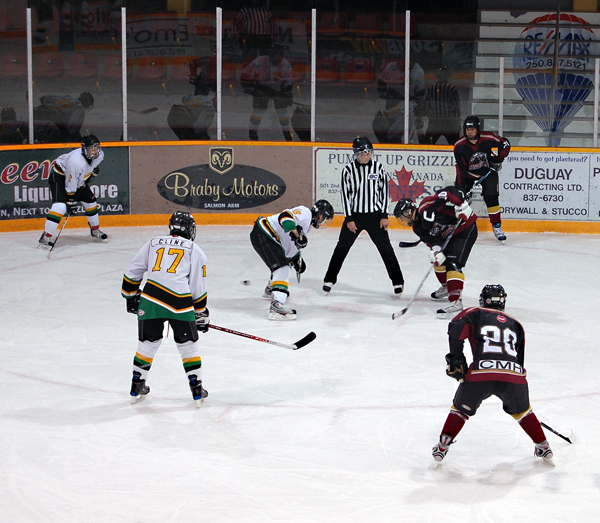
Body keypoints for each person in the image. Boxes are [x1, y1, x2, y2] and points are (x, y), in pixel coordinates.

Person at [431, 284, 554, 466]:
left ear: (483, 300)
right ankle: (543, 446)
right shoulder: (516, 324)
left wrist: (456, 359)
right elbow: (519, 359)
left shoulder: (475, 313)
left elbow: (456, 327)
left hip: (482, 372)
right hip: (513, 375)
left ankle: (443, 446)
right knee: (523, 411)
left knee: (460, 410)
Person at [121, 211, 210, 407]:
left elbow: (133, 270)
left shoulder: (153, 243)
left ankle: (137, 385)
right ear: (190, 230)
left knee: (147, 344)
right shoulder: (195, 250)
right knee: (188, 346)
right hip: (180, 304)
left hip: (151, 300)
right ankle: (196, 390)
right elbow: (197, 286)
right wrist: (200, 312)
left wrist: (130, 296)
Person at [323, 137, 404, 296]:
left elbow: (384, 192)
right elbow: (345, 195)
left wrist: (383, 214)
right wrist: (349, 218)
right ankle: (329, 279)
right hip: (355, 217)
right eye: (362, 154)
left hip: (375, 217)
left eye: (368, 153)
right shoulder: (348, 170)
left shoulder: (378, 168)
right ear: (355, 154)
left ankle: (398, 281)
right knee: (342, 248)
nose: (365, 157)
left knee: (386, 248)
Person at [393, 185, 477, 319]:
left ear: (408, 212)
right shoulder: (417, 228)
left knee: (453, 265)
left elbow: (449, 192)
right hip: (448, 237)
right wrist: (436, 250)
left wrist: (461, 205)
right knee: (439, 262)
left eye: (401, 217)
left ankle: (456, 302)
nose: (402, 221)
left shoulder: (425, 206)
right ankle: (446, 287)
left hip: (464, 229)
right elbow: (432, 241)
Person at [251, 200, 334, 320]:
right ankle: (277, 305)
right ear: (319, 213)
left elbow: (288, 244)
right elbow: (284, 216)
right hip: (263, 233)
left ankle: (271, 288)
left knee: (285, 263)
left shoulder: (307, 226)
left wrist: (296, 258)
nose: (323, 222)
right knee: (282, 267)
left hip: (265, 235)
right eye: (324, 218)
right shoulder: (305, 213)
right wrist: (296, 234)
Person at [38, 134, 107, 249]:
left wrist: (90, 175)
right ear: (84, 149)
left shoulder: (100, 156)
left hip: (77, 179)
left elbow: (87, 171)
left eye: (96, 148)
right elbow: (71, 184)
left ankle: (95, 231)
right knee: (60, 207)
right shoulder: (75, 161)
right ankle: (45, 237)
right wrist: (71, 201)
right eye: (91, 149)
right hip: (59, 176)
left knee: (91, 202)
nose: (94, 151)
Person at [454, 115, 511, 243]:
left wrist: (498, 160)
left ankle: (497, 227)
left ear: (478, 129)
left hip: (487, 171)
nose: (470, 132)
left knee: (492, 198)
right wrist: (460, 187)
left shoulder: (489, 137)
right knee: (460, 199)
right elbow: (460, 168)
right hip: (468, 174)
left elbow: (506, 144)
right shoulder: (460, 145)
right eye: (468, 130)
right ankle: (458, 226)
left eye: (473, 129)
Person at [240, 44, 294, 141]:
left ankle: (287, 136)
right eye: (274, 55)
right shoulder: (259, 61)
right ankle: (252, 135)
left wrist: (288, 94)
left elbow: (288, 84)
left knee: (283, 114)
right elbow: (244, 76)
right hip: (261, 90)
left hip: (278, 92)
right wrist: (252, 89)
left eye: (279, 56)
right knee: (257, 113)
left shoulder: (286, 65)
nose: (277, 58)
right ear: (270, 55)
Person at [374, 59, 426, 144]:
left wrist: (418, 106)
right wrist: (385, 95)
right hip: (392, 99)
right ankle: (393, 139)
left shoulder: (418, 71)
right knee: (392, 120)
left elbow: (420, 92)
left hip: (410, 99)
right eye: (402, 61)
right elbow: (381, 83)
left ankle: (397, 139)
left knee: (409, 115)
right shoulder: (391, 67)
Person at [423, 66, 461, 145]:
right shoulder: (451, 88)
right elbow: (456, 108)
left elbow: (427, 106)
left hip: (434, 123)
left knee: (427, 145)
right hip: (449, 123)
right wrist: (457, 123)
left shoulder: (431, 88)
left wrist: (431, 117)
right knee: (455, 144)